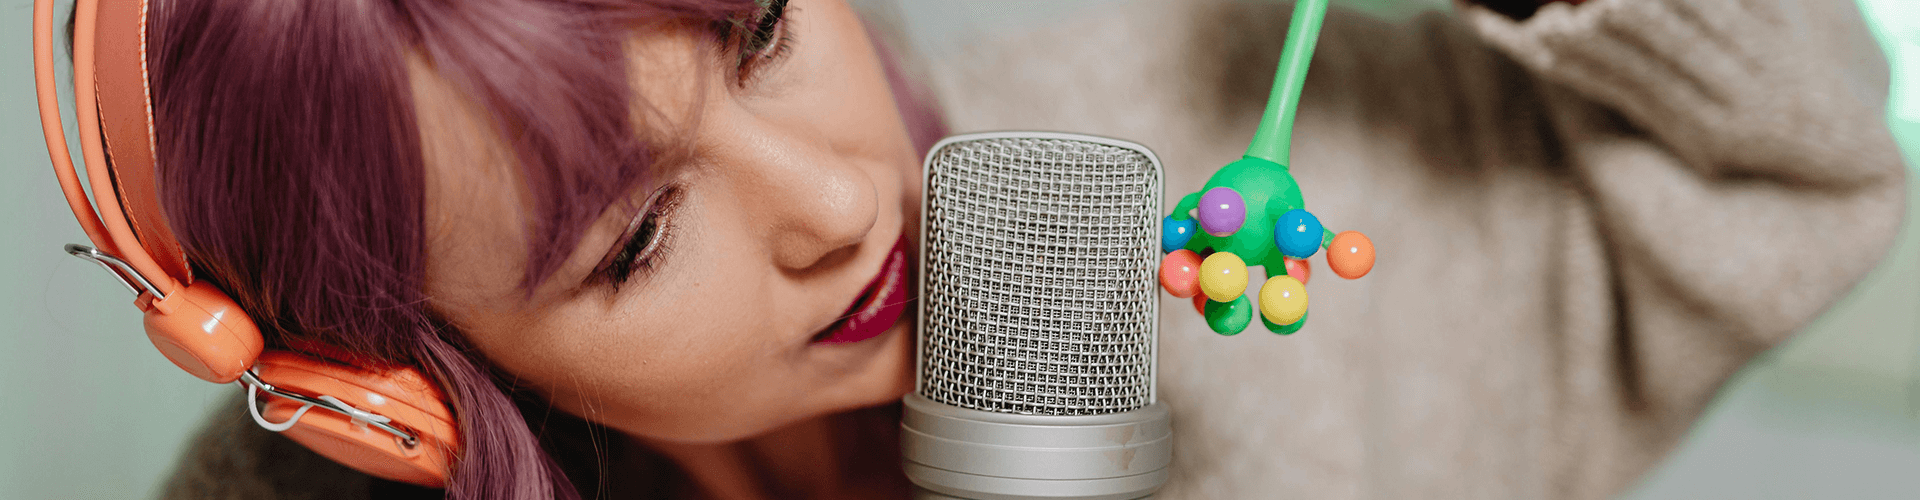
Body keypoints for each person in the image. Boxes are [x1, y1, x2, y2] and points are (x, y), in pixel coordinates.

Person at [125, 0, 1902, 499]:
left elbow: (1817, 169)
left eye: (761, 36)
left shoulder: (1159, 110)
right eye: (640, 233)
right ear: (416, 391)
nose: (839, 203)